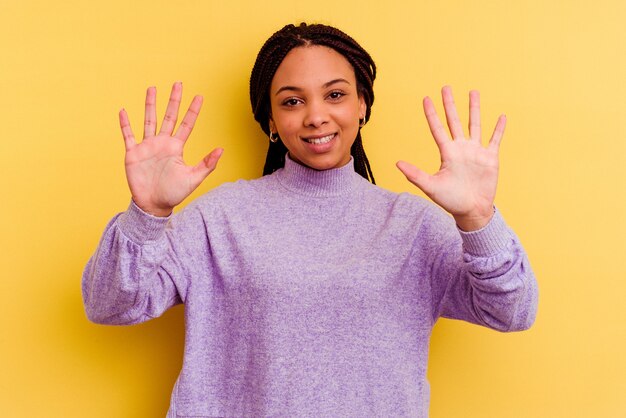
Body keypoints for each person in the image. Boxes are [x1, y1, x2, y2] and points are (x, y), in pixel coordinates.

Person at [82, 23, 538, 417]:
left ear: (362, 106)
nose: (316, 116)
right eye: (292, 101)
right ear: (272, 122)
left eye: (335, 95)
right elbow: (108, 304)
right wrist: (149, 215)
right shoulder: (220, 219)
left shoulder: (412, 226)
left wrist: (478, 219)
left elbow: (513, 311)